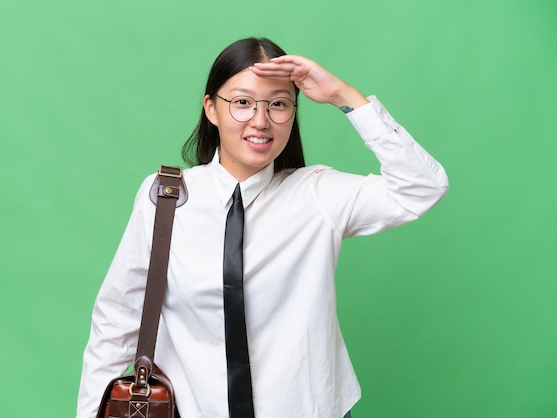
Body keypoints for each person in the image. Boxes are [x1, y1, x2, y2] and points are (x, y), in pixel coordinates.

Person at [76, 37, 448, 418]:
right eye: (241, 102)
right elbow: (116, 321)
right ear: (211, 109)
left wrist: (342, 94)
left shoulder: (318, 194)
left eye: (278, 104)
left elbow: (423, 186)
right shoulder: (166, 197)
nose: (260, 120)